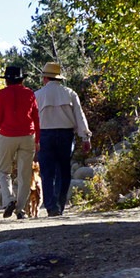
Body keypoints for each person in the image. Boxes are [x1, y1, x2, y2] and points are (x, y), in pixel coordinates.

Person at [34, 62, 91, 216]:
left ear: (45, 78)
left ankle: (51, 206)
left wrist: (32, 140)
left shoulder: (37, 95)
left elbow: (31, 120)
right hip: (66, 135)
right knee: (64, 171)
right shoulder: (70, 93)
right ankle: (59, 203)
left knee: (47, 173)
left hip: (45, 135)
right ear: (58, 78)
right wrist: (85, 137)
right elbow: (79, 116)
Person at [0, 64, 39, 219]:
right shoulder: (29, 93)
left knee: (4, 171)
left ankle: (9, 199)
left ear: (7, 81)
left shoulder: (2, 94)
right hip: (27, 136)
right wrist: (38, 138)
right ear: (21, 80)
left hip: (7, 136)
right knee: (24, 175)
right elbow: (36, 118)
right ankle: (20, 210)